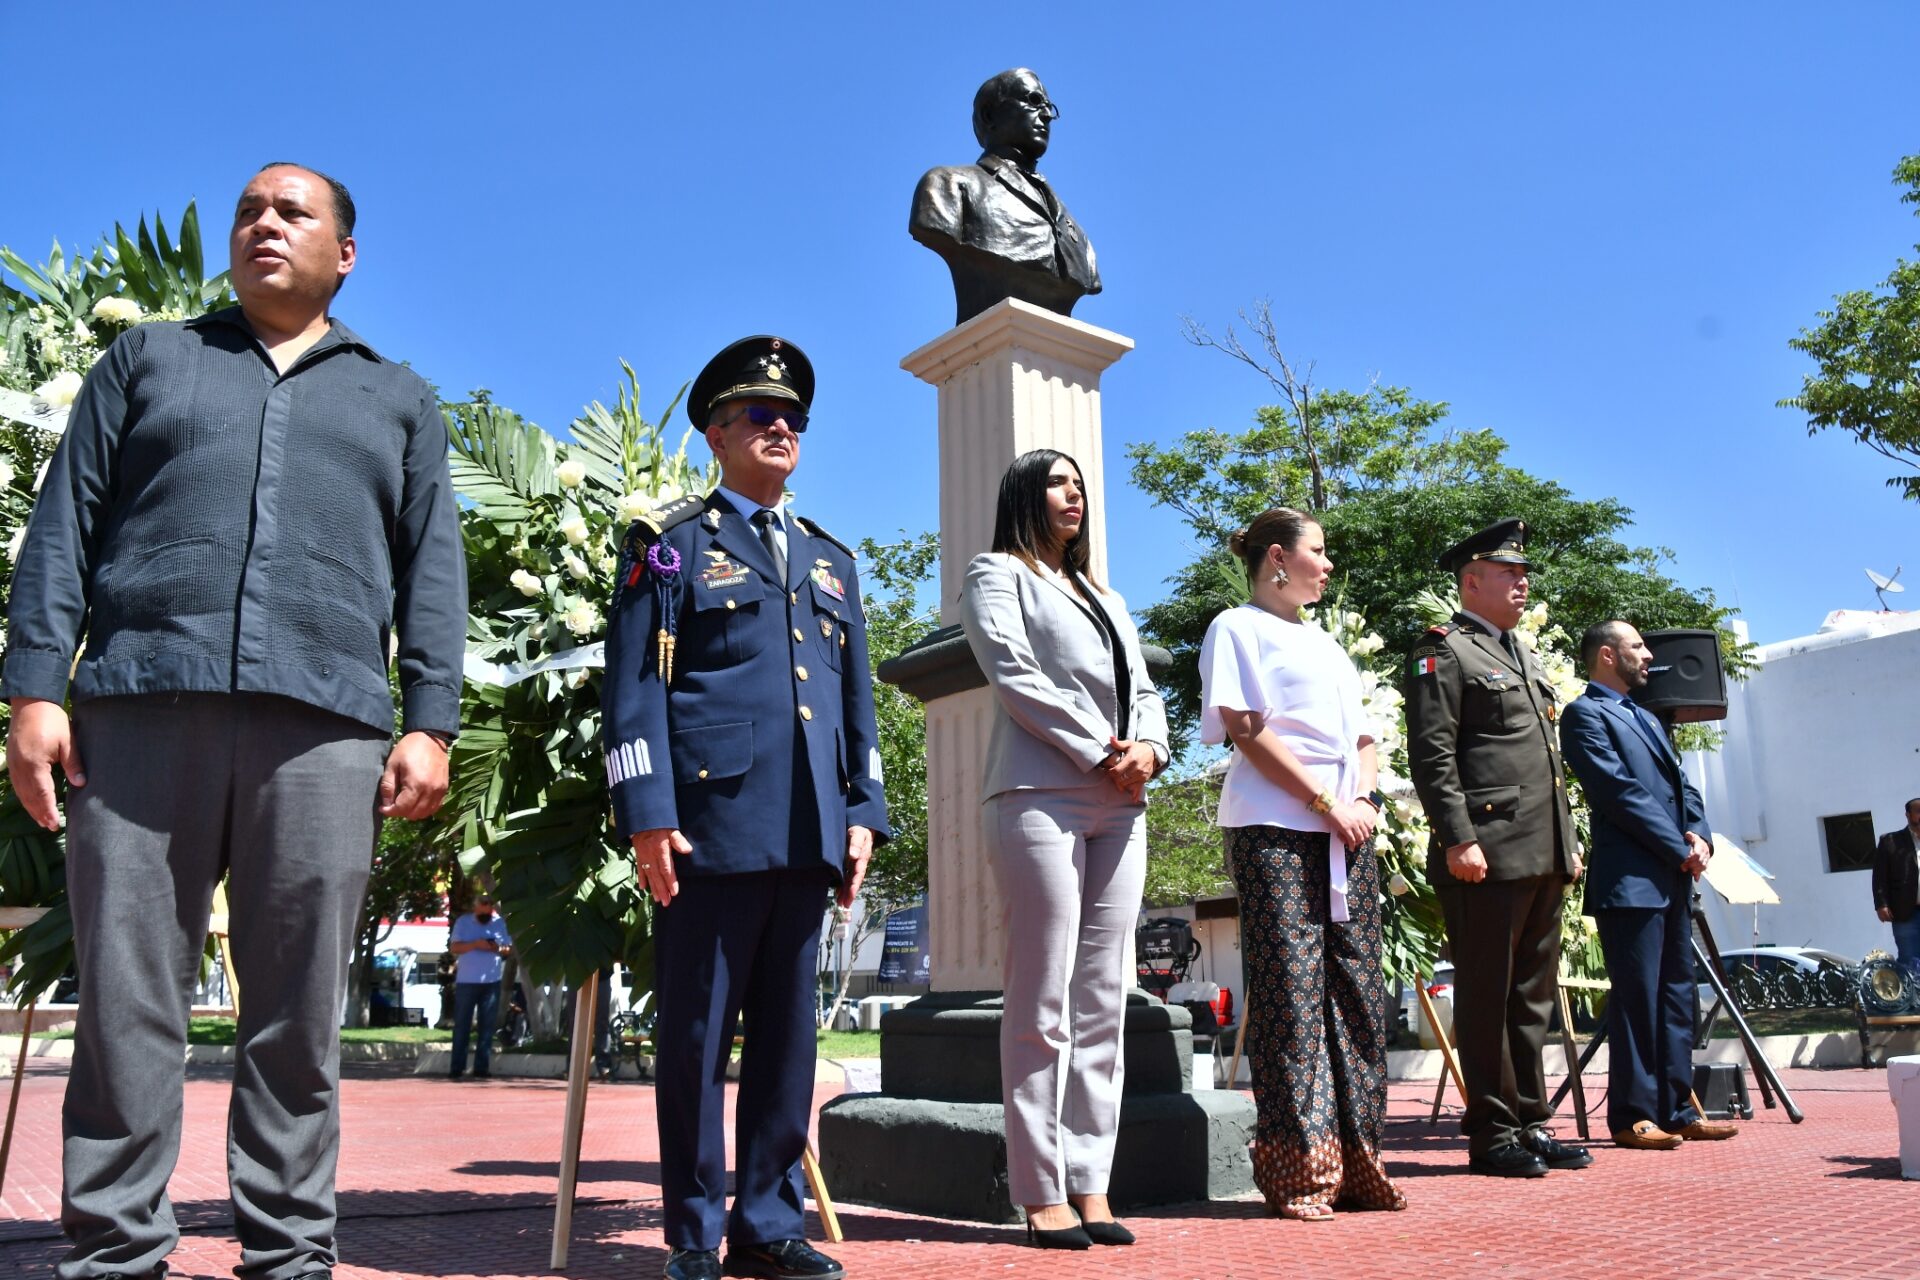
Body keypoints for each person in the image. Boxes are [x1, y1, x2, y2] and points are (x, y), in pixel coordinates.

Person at [3, 162, 465, 1280]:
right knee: (126, 997)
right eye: (250, 209)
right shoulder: (148, 359)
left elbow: (432, 571)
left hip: (323, 726)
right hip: (140, 711)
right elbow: (64, 526)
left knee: (297, 1008)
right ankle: (115, 1250)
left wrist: (431, 721)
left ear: (343, 254)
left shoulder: (398, 397)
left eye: (292, 212)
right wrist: (35, 689)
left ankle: (290, 1250)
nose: (264, 223)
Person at [602, 335, 889, 1280]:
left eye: (793, 418)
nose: (781, 429)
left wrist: (863, 811)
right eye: (760, 415)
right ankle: (693, 1232)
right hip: (709, 829)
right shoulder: (672, 546)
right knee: (696, 1037)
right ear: (716, 435)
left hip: (809, 829)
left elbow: (854, 704)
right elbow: (634, 688)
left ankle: (767, 1224)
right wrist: (647, 813)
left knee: (789, 1040)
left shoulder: (832, 561)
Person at [958, 448, 1168, 1250]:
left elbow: (1144, 687)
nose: (1073, 495)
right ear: (1023, 494)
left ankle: (1091, 1182)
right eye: (1056, 483)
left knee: (1102, 997)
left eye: (1079, 485)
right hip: (1038, 792)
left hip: (1123, 801)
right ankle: (1041, 1189)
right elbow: (1014, 675)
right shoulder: (995, 574)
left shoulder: (1106, 595)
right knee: (1041, 998)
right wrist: (1100, 749)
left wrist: (1151, 749)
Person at [1196, 508, 1405, 1219]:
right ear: (1279, 558)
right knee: (1291, 994)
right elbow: (1247, 731)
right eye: (1320, 550)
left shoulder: (1326, 642)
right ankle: (1300, 1171)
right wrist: (1324, 801)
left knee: (1358, 989)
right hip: (1276, 827)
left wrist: (1363, 798)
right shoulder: (1237, 628)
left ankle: (1360, 1164)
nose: (1330, 563)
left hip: (1348, 829)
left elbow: (1365, 734)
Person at [1403, 518, 1586, 1179]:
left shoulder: (1522, 655)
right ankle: (1492, 1133)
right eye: (1509, 573)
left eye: (1524, 573)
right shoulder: (1444, 652)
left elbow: (1546, 764)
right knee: (1486, 996)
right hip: (1485, 852)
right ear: (1471, 581)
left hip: (1541, 851)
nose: (1522, 582)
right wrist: (1459, 838)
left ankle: (1531, 1121)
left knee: (1531, 999)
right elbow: (1433, 754)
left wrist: (1567, 843)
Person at [1558, 622, 1738, 1149]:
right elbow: (1618, 792)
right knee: (1638, 999)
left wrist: (1700, 837)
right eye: (1637, 646)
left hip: (1674, 877)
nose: (1649, 655)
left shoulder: (1648, 717)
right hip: (1632, 881)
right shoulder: (1585, 714)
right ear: (1607, 655)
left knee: (1678, 997)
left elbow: (1684, 787)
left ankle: (1678, 1109)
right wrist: (1678, 846)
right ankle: (1633, 1115)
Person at [910, 67, 1101, 325]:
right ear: (989, 115)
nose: (1046, 115)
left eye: (1049, 107)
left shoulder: (1075, 230)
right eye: (1033, 101)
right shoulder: (948, 186)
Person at [447, 893, 513, 1079]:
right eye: (482, 911)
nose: (486, 914)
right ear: (475, 908)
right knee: (462, 1026)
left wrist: (495, 948)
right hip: (466, 982)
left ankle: (481, 1068)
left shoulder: (499, 923)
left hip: (491, 982)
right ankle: (457, 1067)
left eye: (488, 911)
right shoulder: (463, 922)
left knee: (487, 1027)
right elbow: (455, 947)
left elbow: (507, 949)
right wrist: (475, 944)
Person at [1872, 799, 1920, 976]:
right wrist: (1881, 904)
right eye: (1919, 812)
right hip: (1906, 912)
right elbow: (1879, 877)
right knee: (1909, 960)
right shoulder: (1891, 841)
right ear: (1908, 815)